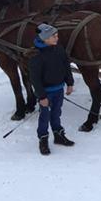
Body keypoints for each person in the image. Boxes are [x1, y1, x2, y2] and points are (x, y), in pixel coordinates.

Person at [28, 23, 75, 156]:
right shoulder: (36, 56)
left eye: (57, 35)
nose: (56, 38)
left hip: (59, 90)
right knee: (44, 117)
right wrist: (41, 96)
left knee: (56, 113)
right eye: (53, 36)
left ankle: (58, 135)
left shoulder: (59, 49)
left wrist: (69, 83)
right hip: (46, 93)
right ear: (44, 38)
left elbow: (66, 66)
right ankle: (43, 139)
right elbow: (35, 79)